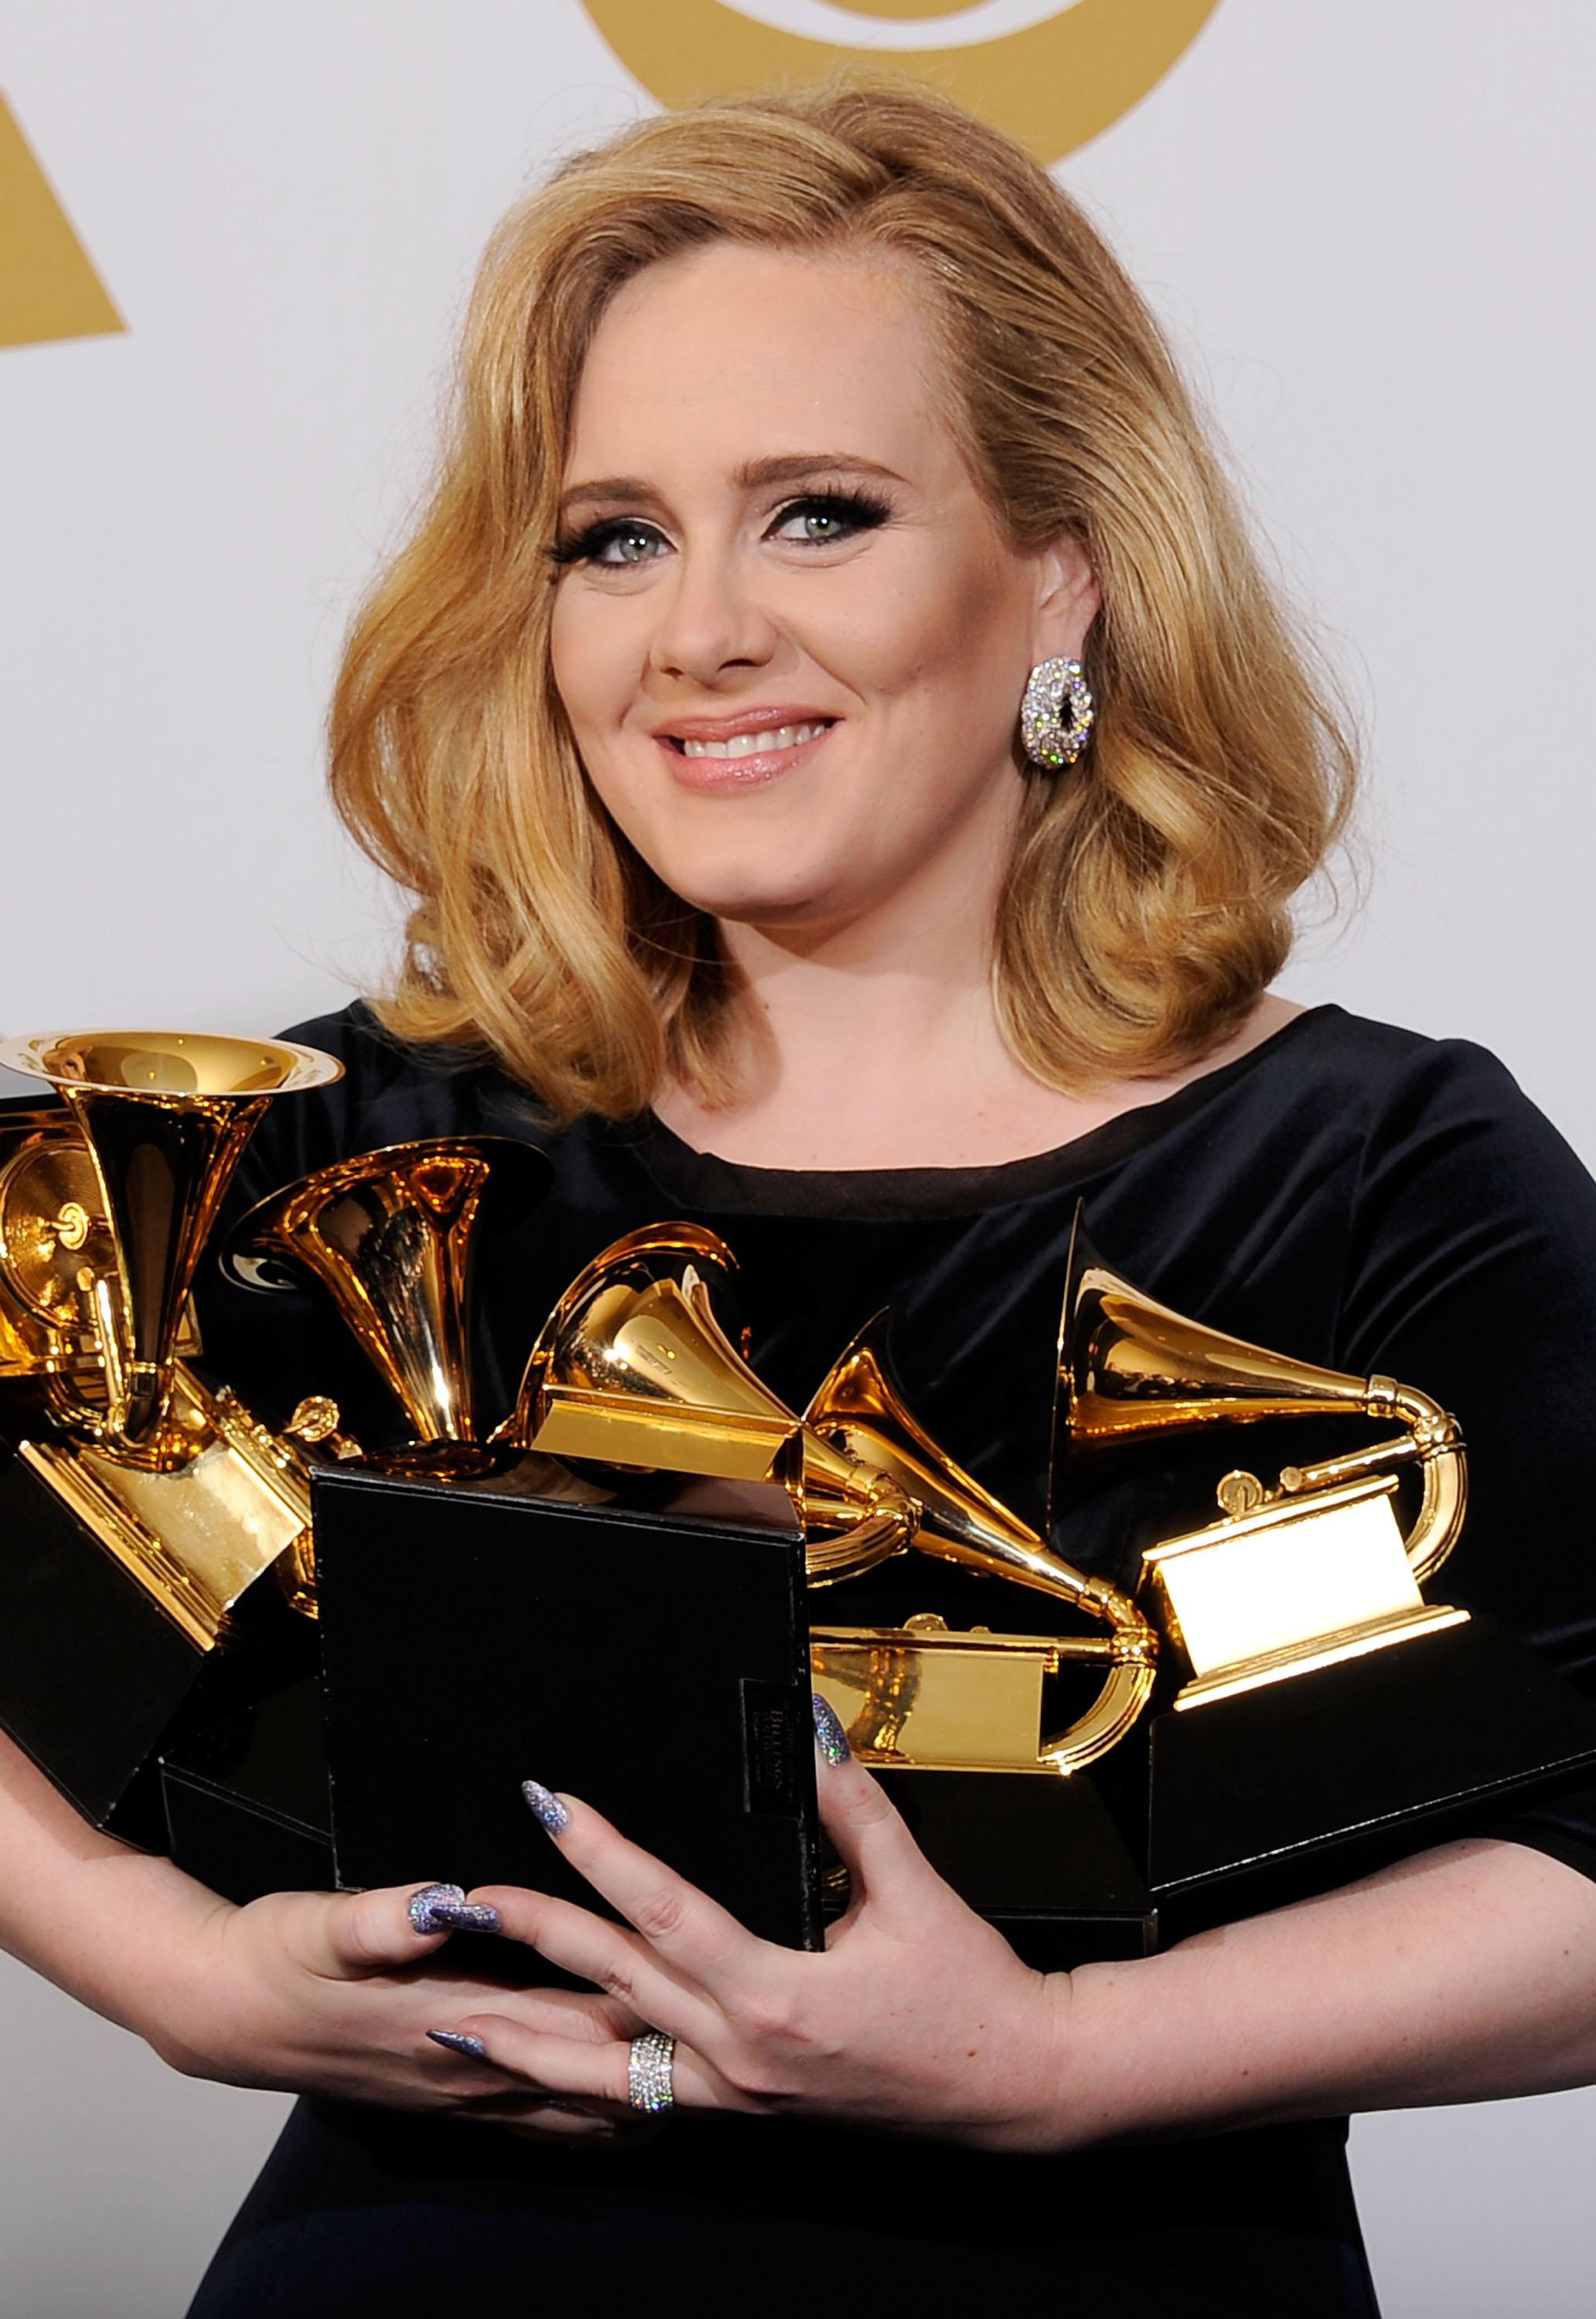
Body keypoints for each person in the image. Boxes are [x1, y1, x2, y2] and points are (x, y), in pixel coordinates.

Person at [5, 79, 1596, 2319]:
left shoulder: (1372, 1175)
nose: (699, 634)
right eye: (615, 538)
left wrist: (1058, 2057)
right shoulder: (356, 1148)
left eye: (820, 515)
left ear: (1063, 565)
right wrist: (172, 1969)